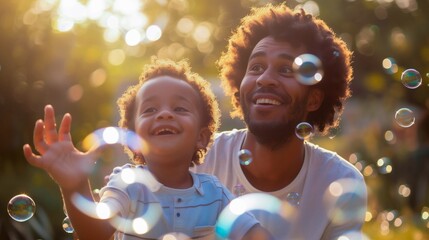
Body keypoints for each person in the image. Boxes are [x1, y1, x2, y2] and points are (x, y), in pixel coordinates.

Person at [23, 58, 270, 240]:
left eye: (180, 108)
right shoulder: (127, 185)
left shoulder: (215, 193)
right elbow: (94, 234)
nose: (164, 114)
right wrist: (75, 186)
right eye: (150, 110)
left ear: (202, 137)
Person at [193, 3, 368, 239]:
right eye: (255, 67)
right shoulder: (198, 160)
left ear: (314, 99)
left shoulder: (340, 182)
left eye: (286, 70)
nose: (265, 79)